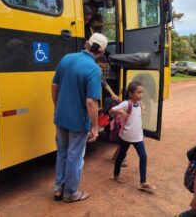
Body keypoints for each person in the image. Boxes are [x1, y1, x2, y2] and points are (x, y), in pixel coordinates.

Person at [51, 33, 108, 202]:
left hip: (61, 118)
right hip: (77, 123)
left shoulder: (67, 58)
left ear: (86, 44)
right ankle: (70, 193)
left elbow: (54, 86)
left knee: (62, 152)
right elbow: (91, 102)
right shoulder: (93, 69)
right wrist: (95, 126)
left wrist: (57, 107)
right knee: (74, 157)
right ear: (102, 52)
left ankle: (58, 188)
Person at [110, 80, 156, 190]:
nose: (141, 95)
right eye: (138, 92)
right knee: (121, 156)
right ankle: (116, 175)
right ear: (131, 94)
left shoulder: (139, 104)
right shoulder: (126, 104)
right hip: (125, 137)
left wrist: (143, 109)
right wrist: (120, 112)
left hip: (138, 137)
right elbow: (111, 111)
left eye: (142, 92)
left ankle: (143, 182)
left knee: (143, 157)